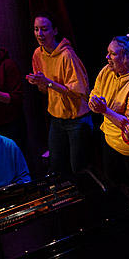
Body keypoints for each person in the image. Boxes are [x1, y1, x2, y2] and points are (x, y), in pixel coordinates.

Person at [27, 10, 93, 175]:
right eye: (36, 29)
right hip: (57, 118)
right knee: (56, 165)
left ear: (55, 30)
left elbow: (78, 92)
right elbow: (45, 90)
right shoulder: (38, 54)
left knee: (79, 168)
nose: (39, 34)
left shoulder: (67, 55)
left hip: (77, 119)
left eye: (44, 29)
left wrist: (48, 82)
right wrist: (39, 83)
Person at [89, 34, 129, 188]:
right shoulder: (107, 71)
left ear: (127, 57)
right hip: (109, 142)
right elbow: (94, 94)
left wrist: (105, 111)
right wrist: (95, 104)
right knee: (113, 189)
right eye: (108, 52)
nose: (107, 57)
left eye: (113, 54)